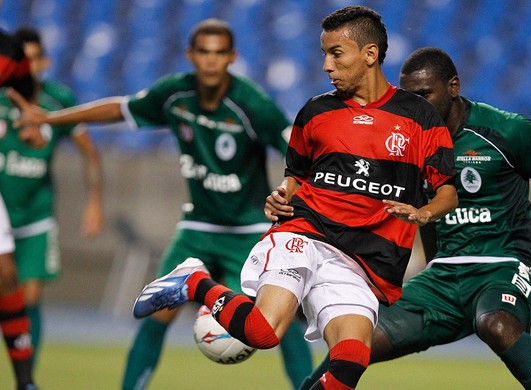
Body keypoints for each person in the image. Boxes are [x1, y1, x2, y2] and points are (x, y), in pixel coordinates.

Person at [131, 7, 457, 390]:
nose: (326, 65)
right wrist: (282, 195)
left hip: (361, 261)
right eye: (324, 54)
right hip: (303, 236)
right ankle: (194, 281)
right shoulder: (317, 112)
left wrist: (423, 212)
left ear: (370, 55)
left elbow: (447, 192)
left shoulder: (420, 118)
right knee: (264, 332)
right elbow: (297, 178)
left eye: (336, 53)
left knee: (352, 360)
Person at [9, 18, 313, 390]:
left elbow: (297, 155)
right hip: (197, 228)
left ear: (232, 57)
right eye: (204, 52)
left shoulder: (252, 105)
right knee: (157, 314)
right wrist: (51, 118)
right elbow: (119, 108)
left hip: (247, 231)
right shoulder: (175, 95)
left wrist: (288, 192)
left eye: (220, 53)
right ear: (190, 55)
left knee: (272, 321)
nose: (211, 62)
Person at [298, 47, 531, 390]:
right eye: (409, 97)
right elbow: (419, 213)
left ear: (453, 86)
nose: (417, 105)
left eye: (425, 94)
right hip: (445, 276)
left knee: (496, 325)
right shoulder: (409, 145)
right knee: (354, 340)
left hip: (505, 264)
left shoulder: (507, 130)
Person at [2, 27, 104, 364]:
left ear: (44, 61)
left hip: (36, 215)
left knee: (29, 297)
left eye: (32, 59)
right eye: (21, 59)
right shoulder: (2, 97)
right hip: (3, 211)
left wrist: (93, 203)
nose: (27, 66)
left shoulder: (58, 101)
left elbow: (89, 153)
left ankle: (25, 374)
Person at [0, 29, 37, 390]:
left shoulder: (9, 52)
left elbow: (26, 89)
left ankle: (25, 381)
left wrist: (27, 116)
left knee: (6, 274)